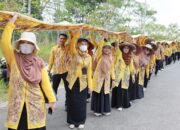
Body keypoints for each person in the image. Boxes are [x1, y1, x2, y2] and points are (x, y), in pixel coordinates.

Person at [1, 14, 56, 130]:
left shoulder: (39, 62)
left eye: (29, 43)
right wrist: (11, 24)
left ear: (33, 47)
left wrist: (51, 100)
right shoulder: (13, 57)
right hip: (17, 103)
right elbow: (5, 42)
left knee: (35, 126)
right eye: (23, 43)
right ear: (19, 44)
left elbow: (45, 84)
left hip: (35, 103)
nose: (26, 45)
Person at [66, 31, 92, 129]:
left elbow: (89, 73)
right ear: (78, 45)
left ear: (88, 46)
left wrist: (90, 87)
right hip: (72, 81)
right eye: (82, 44)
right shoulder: (74, 53)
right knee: (72, 101)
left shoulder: (89, 57)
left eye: (85, 44)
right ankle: (71, 121)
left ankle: (81, 121)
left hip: (83, 83)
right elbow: (72, 43)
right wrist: (77, 31)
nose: (84, 45)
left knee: (81, 103)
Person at [91, 39, 115, 117]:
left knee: (106, 93)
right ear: (102, 48)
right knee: (98, 93)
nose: (107, 49)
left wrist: (113, 79)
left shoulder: (111, 58)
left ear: (111, 49)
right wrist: (102, 38)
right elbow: (99, 47)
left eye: (108, 48)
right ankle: (97, 110)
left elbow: (112, 69)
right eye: (105, 47)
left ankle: (105, 109)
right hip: (98, 79)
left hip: (107, 79)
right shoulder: (99, 56)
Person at [111, 42, 135, 110]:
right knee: (118, 89)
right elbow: (114, 63)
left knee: (124, 89)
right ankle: (118, 105)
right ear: (122, 48)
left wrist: (133, 76)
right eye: (124, 48)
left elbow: (131, 67)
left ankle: (123, 104)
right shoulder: (119, 54)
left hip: (126, 75)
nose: (126, 49)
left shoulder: (130, 56)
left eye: (127, 48)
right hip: (118, 74)